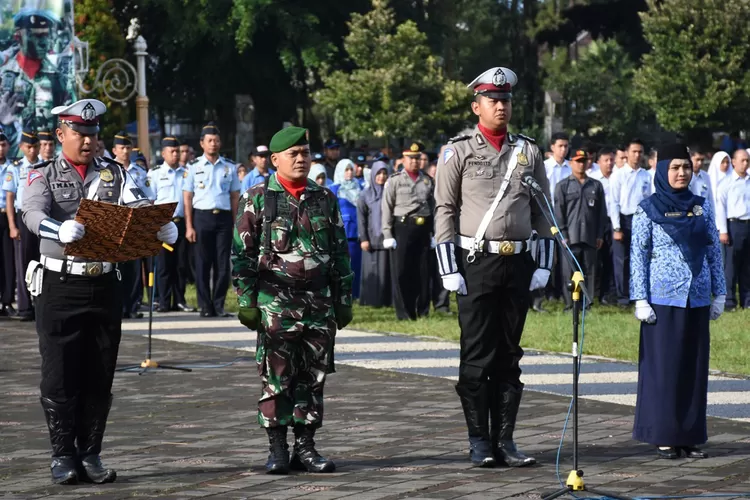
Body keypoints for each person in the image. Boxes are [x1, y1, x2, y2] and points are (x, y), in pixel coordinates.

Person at [22, 98, 177, 484]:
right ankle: (62, 454)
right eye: (79, 133)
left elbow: (136, 202)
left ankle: (90, 453)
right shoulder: (42, 174)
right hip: (60, 282)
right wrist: (57, 229)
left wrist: (157, 225)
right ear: (61, 135)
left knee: (100, 369)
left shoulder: (115, 172)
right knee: (60, 371)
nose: (88, 141)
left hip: (105, 281)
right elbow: (32, 213)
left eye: (93, 134)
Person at [434, 67, 553, 468]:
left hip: (517, 261)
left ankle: (506, 440)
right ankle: (479, 441)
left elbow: (543, 210)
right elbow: (445, 210)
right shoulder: (458, 150)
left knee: (510, 354)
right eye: (493, 100)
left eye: (506, 100)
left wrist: (545, 262)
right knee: (477, 354)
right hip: (475, 262)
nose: (501, 106)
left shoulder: (529, 151)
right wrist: (448, 265)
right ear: (477, 106)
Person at [232, 126, 353, 475]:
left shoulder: (323, 197)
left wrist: (343, 297)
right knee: (276, 377)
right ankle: (277, 448)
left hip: (318, 302)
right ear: (274, 160)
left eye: (305, 152)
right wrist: (247, 300)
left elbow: (339, 251)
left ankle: (306, 446)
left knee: (313, 377)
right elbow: (242, 254)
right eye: (293, 154)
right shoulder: (257, 197)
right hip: (276, 303)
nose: (301, 159)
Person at [630, 143, 725, 459]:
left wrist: (720, 292)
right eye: (674, 167)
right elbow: (639, 255)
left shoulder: (701, 206)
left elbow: (713, 250)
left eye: (686, 166)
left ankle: (689, 435)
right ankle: (664, 435)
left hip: (697, 297)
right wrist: (640, 298)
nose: (682, 172)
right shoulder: (648, 209)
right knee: (665, 369)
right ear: (661, 170)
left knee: (693, 369)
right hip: (662, 300)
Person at [183, 122, 241, 317]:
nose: (213, 144)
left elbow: (234, 197)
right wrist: (189, 226)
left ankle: (219, 305)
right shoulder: (193, 167)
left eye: (216, 141)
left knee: (223, 265)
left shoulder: (229, 167)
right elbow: (187, 197)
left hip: (223, 218)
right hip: (201, 217)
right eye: (209, 141)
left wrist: (235, 224)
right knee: (202, 264)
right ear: (202, 143)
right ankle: (205, 306)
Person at [382, 142, 435, 321]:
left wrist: (434, 232)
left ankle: (422, 310)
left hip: (423, 228)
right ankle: (404, 312)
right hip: (403, 227)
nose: (414, 162)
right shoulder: (395, 180)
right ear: (403, 159)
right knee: (402, 271)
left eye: (417, 158)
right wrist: (387, 234)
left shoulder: (427, 180)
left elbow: (433, 206)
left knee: (423, 270)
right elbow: (387, 208)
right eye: (411, 158)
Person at [147, 137, 197, 313]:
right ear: (163, 153)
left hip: (181, 223)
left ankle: (180, 300)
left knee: (181, 264)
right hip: (162, 224)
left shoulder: (187, 172)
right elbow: (150, 200)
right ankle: (163, 300)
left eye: (177, 151)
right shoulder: (155, 174)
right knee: (163, 265)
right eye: (172, 151)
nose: (175, 154)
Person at [554, 149, 607, 311]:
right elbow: (558, 212)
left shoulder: (596, 185)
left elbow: (602, 213)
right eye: (577, 161)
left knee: (590, 271)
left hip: (590, 236)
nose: (581, 164)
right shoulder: (562, 186)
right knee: (569, 271)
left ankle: (587, 303)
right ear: (571, 163)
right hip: (570, 236)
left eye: (583, 161)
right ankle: (570, 304)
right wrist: (563, 234)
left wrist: (600, 234)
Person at [4, 128, 41, 321]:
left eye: (35, 146)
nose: (33, 150)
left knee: (42, 262)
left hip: (42, 216)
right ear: (22, 147)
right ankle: (25, 307)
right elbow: (10, 198)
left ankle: (41, 304)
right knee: (23, 263)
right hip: (23, 216)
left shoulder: (45, 166)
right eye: (29, 147)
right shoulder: (15, 168)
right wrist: (12, 225)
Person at [609, 138, 649, 308]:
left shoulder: (646, 175)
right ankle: (623, 297)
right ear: (626, 153)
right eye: (634, 151)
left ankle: (638, 294)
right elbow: (613, 202)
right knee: (622, 260)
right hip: (624, 220)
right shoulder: (618, 174)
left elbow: (649, 200)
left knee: (640, 259)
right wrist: (617, 227)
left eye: (640, 151)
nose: (637, 155)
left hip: (641, 219)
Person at [111, 132, 146, 319]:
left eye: (128, 148)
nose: (125, 151)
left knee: (134, 267)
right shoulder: (107, 171)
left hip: (134, 223)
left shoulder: (139, 172)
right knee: (117, 267)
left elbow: (148, 197)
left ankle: (133, 305)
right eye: (121, 148)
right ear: (114, 150)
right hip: (116, 222)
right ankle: (118, 305)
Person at [715, 148, 750, 311]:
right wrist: (723, 230)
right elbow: (720, 207)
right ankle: (729, 301)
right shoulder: (726, 183)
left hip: (748, 224)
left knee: (747, 265)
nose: (745, 163)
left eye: (747, 160)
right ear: (734, 162)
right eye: (742, 160)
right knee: (731, 264)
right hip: (733, 225)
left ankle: (747, 299)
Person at [540, 132, 571, 310]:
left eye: (566, 146)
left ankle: (562, 291)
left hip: (566, 215)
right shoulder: (545, 167)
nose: (563, 149)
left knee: (565, 254)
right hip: (548, 214)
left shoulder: (569, 167)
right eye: (560, 146)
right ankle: (548, 292)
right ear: (552, 147)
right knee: (549, 256)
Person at [357, 160, 392, 307]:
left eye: (384, 173)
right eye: (378, 173)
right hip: (370, 239)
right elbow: (361, 218)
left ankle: (386, 301)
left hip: (386, 239)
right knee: (371, 270)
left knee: (386, 271)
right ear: (373, 175)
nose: (382, 177)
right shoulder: (365, 195)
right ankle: (370, 301)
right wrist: (364, 238)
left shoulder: (391, 193)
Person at [331, 159, 362, 299]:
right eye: (346, 170)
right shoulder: (334, 189)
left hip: (357, 233)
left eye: (351, 169)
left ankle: (356, 294)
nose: (349, 173)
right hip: (340, 234)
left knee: (356, 266)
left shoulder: (360, 187)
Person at [589, 147, 616, 304]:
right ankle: (595, 292)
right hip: (598, 223)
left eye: (611, 160)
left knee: (610, 259)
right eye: (605, 160)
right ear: (598, 162)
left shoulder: (618, 177)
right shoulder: (593, 179)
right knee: (596, 260)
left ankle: (607, 293)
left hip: (614, 222)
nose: (609, 163)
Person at [0, 131, 15, 316]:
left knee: (8, 260)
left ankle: (7, 300)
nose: (1, 148)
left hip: (6, 214)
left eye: (3, 144)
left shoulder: (13, 167)